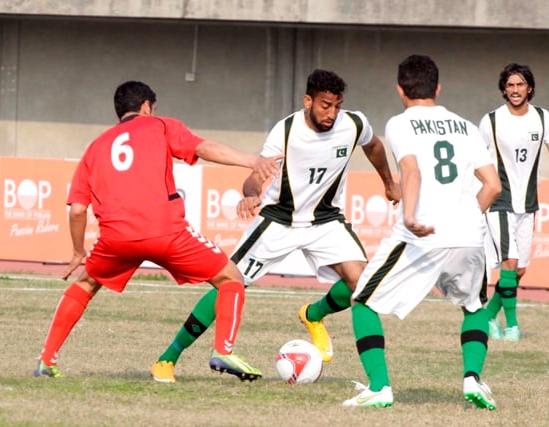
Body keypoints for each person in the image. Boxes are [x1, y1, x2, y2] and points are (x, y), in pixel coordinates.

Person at [150, 68, 401, 383]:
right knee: (229, 283)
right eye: (325, 105)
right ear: (307, 101)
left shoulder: (354, 124)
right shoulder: (285, 132)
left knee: (363, 286)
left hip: (326, 220)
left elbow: (374, 145)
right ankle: (167, 359)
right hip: (278, 219)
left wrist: (389, 183)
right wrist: (251, 195)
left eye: (337, 105)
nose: (332, 113)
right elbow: (255, 176)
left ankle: (320, 322)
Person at [33, 81, 282, 381]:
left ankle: (46, 361)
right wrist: (253, 161)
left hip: (116, 239)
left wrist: (77, 252)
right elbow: (202, 147)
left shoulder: (96, 147)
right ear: (147, 107)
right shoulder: (160, 126)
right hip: (166, 232)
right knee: (231, 279)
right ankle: (224, 350)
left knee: (85, 284)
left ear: (119, 113)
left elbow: (76, 210)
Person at [342, 54, 501, 409]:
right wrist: (464, 218)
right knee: (475, 307)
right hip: (470, 234)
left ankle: (379, 387)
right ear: (438, 87)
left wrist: (411, 216)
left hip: (422, 234)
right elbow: (492, 185)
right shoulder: (466, 126)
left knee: (363, 302)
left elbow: (410, 171)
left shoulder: (400, 124)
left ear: (400, 89)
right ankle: (472, 378)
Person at [479, 63, 549, 342]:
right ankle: (512, 326)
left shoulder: (542, 117)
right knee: (509, 263)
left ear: (530, 88)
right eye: (510, 85)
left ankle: (488, 316)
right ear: (504, 89)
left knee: (520, 270)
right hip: (499, 203)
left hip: (528, 204)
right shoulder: (491, 121)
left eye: (520, 85)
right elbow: (475, 161)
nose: (515, 90)